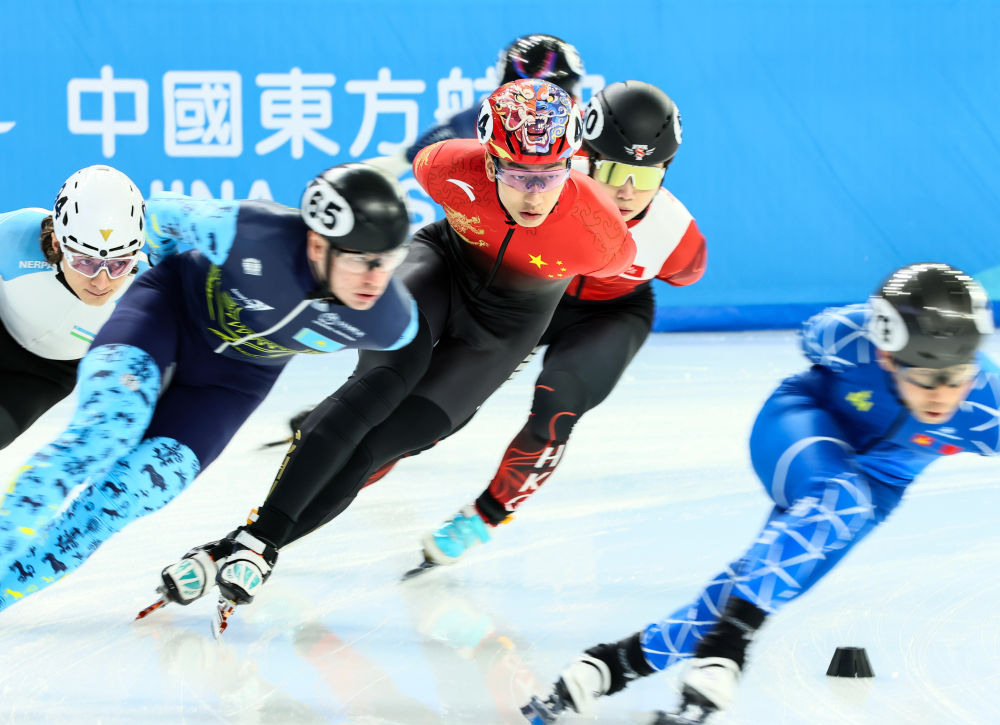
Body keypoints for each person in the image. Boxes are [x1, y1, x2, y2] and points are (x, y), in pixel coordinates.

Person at [151, 78, 638, 634]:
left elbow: (624, 285)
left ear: (572, 163)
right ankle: (259, 542)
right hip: (440, 270)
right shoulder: (446, 167)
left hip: (504, 329)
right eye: (516, 175)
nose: (533, 194)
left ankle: (245, 544)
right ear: (488, 160)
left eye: (550, 175)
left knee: (383, 444)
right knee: (383, 380)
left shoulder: (602, 233)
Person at [520, 262, 999, 725]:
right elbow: (813, 336)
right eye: (925, 376)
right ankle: (725, 652)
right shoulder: (849, 337)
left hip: (876, 487)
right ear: (887, 356)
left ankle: (609, 666)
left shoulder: (987, 406)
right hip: (803, 424)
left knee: (767, 580)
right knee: (839, 499)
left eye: (957, 374)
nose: (942, 394)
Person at [0, 163, 418, 610]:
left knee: (130, 495)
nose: (376, 279)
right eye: (360, 260)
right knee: (102, 434)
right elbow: (159, 214)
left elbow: (404, 379)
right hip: (165, 313)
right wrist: (153, 281)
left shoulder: (392, 322)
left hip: (232, 382)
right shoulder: (249, 230)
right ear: (318, 245)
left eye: (387, 260)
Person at [419, 80, 706, 568]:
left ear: (666, 171)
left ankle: (484, 517)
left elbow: (686, 272)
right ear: (584, 157)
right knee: (443, 403)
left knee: (557, 406)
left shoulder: (675, 234)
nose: (628, 190)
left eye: (646, 176)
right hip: (531, 300)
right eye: (613, 170)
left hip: (611, 314)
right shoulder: (540, 180)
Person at [0, 165, 145, 449]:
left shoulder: (146, 286)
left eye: (119, 264)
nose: (101, 282)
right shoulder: (14, 235)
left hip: (43, 376)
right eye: (85, 262)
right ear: (57, 243)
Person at [367, 33, 587, 179]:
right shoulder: (485, 119)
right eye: (525, 107)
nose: (538, 125)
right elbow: (428, 145)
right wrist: (397, 163)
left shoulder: (593, 132)